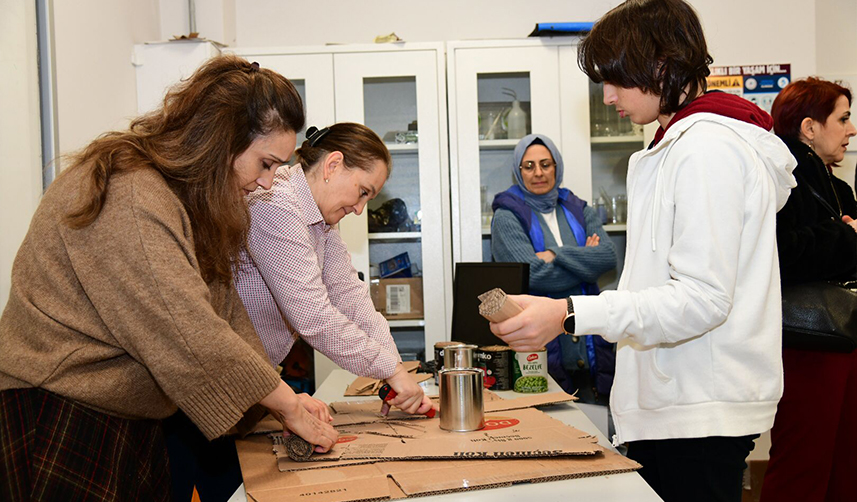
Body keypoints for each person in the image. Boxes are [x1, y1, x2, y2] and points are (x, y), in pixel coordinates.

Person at [488, 1, 798, 500]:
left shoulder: (705, 150)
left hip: (697, 409)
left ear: (660, 64)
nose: (607, 96)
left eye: (616, 78)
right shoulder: (678, 145)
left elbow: (701, 299)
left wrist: (569, 312)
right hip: (680, 403)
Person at [0, 55, 337, 501]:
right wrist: (287, 404)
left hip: (129, 419)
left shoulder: (190, 203)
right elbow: (185, 331)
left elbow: (225, 314)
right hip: (61, 414)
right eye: (266, 164)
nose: (269, 183)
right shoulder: (131, 192)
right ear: (222, 142)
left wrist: (275, 396)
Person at [234, 122, 434, 416]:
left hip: (253, 378)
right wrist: (391, 371)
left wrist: (395, 374)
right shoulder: (274, 202)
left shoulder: (319, 219)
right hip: (218, 382)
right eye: (362, 192)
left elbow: (350, 297)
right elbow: (314, 317)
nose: (359, 209)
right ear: (333, 165)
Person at [761, 77, 857, 501]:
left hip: (842, 335)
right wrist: (847, 236)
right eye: (843, 118)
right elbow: (783, 254)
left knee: (843, 463)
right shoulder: (783, 183)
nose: (850, 130)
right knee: (804, 464)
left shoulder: (836, 188)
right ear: (809, 127)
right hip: (807, 342)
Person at [490, 133, 617, 403]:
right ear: (518, 171)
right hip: (539, 346)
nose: (538, 173)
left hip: (589, 339)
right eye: (529, 166)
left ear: (556, 167)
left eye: (546, 164)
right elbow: (532, 275)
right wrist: (585, 261)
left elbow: (607, 257)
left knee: (596, 428)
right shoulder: (506, 216)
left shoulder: (580, 209)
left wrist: (554, 254)